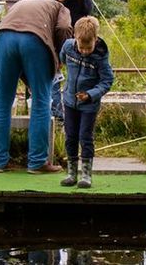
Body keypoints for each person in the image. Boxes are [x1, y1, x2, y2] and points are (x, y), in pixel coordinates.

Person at [0, 0, 73, 174]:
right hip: (34, 39)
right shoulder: (61, 7)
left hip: (2, 37)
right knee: (41, 100)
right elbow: (64, 28)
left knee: (3, 101)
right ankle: (37, 162)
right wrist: (59, 56)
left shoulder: (24, 2)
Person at [58, 16, 113, 189]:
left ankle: (86, 174)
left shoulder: (101, 57)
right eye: (81, 47)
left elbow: (107, 81)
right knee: (70, 136)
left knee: (85, 137)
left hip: (89, 105)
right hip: (69, 101)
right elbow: (62, 59)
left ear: (96, 40)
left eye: (88, 48)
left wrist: (90, 94)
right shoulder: (68, 47)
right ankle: (71, 172)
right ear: (75, 38)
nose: (84, 51)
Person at [40, 0, 95, 122]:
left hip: (74, 40)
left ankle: (77, 108)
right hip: (50, 38)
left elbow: (87, 20)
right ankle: (56, 113)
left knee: (76, 74)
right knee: (53, 72)